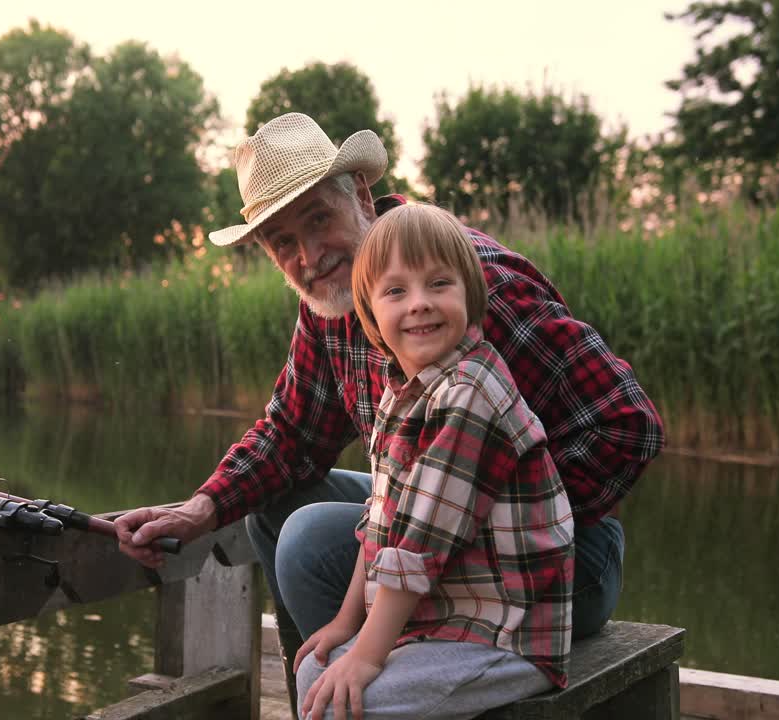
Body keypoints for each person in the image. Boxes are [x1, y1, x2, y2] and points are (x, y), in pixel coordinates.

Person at [115, 112, 664, 714]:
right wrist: (196, 512)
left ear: (361, 195)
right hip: (433, 533)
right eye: (283, 243)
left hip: (557, 567)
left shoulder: (464, 292)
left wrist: (481, 526)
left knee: (307, 538)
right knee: (272, 506)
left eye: (318, 219)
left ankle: (365, 684)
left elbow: (627, 424)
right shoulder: (336, 305)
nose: (310, 255)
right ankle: (332, 689)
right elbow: (290, 435)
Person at [292, 202, 574, 720]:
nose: (419, 304)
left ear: (469, 294)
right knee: (317, 668)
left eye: (439, 284)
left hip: (505, 635)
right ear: (370, 313)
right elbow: (380, 524)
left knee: (342, 700)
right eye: (396, 291)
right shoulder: (402, 394)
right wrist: (345, 624)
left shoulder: (471, 391)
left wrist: (367, 654)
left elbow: (416, 546)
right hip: (443, 621)